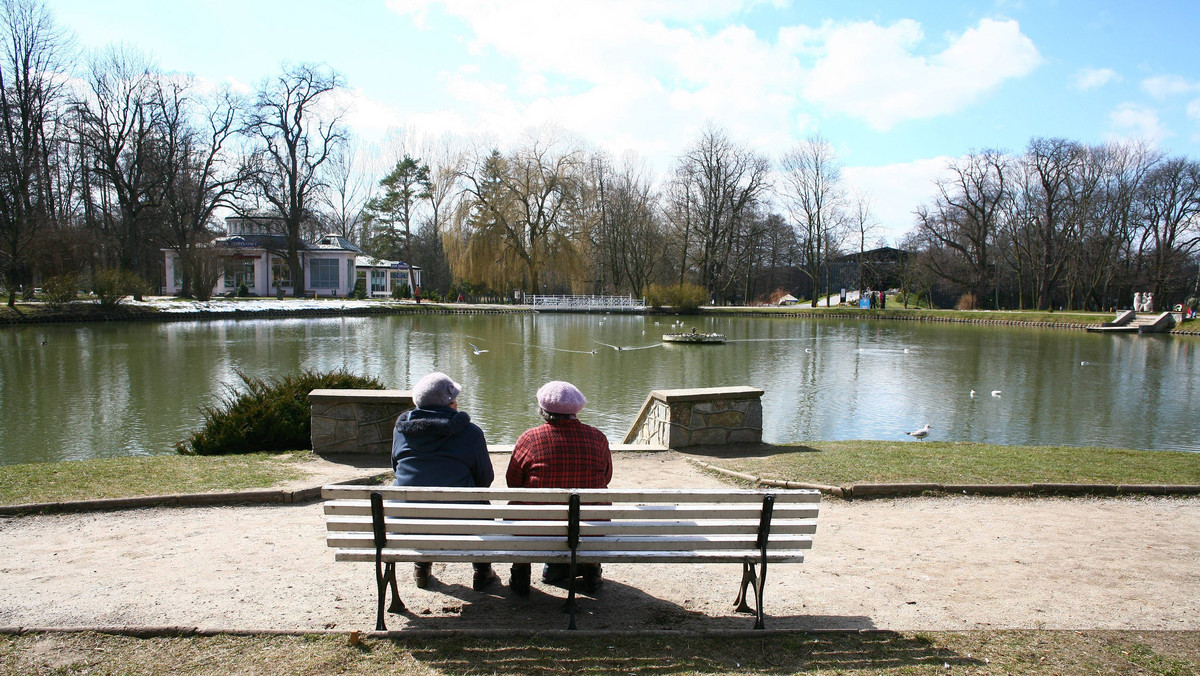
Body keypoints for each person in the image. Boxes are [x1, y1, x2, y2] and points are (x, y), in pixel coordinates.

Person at [392, 371, 497, 591]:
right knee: (481, 504)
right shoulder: (471, 433)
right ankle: (482, 570)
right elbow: (485, 479)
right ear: (450, 403)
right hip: (461, 520)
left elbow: (396, 468)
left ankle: (421, 566)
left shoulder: (401, 431)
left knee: (418, 501)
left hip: (406, 522)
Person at [506, 381, 612, 596]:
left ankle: (520, 572)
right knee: (591, 510)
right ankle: (591, 571)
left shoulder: (529, 439)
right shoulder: (597, 438)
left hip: (536, 527)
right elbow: (606, 477)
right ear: (576, 410)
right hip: (588, 526)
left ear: (543, 410)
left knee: (520, 510)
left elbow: (513, 483)